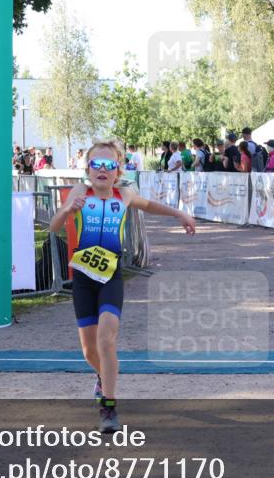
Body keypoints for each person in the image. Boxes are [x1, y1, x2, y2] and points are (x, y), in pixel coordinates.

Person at [49, 141, 196, 433]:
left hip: (111, 278)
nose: (102, 171)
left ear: (118, 170)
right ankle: (104, 377)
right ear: (87, 169)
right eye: (96, 165)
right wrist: (67, 209)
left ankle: (108, 408)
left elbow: (149, 205)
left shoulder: (124, 194)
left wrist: (179, 214)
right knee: (90, 351)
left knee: (106, 339)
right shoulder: (80, 192)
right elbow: (53, 227)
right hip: (83, 280)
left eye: (109, 166)